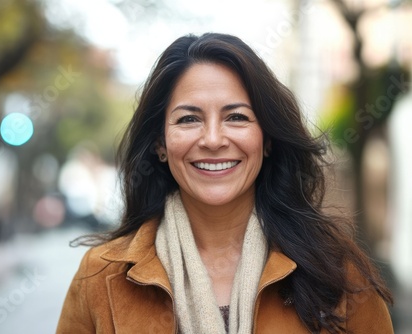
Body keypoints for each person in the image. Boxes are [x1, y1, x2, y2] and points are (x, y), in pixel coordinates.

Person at [56, 33, 393, 333]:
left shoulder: (337, 273)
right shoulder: (102, 277)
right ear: (161, 143)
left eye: (236, 117)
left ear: (268, 139)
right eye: (189, 119)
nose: (213, 139)